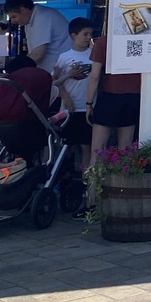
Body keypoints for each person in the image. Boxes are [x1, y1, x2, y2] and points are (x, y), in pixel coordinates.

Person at [52, 17, 95, 218]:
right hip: (69, 108)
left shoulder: (94, 54)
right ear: (73, 35)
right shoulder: (64, 57)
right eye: (84, 34)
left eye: (90, 34)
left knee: (87, 146)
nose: (88, 38)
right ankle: (64, 182)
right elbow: (55, 81)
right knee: (66, 147)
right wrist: (66, 95)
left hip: (87, 108)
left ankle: (87, 182)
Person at [85, 29, 140, 155]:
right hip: (133, 95)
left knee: (98, 150)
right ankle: (122, 174)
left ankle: (94, 174)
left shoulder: (104, 41)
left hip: (109, 95)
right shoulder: (138, 40)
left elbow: (94, 76)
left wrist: (89, 103)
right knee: (125, 150)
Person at [2, 0, 72, 75]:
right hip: (52, 72)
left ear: (23, 10)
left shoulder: (42, 16)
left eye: (14, 17)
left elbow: (38, 54)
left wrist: (16, 70)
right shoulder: (29, 20)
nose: (13, 21)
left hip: (61, 72)